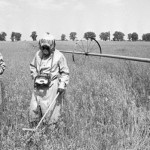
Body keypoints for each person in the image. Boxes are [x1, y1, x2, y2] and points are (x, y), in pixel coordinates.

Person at [29, 33, 69, 128]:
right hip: (38, 86)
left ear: (52, 45)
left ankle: (50, 131)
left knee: (50, 110)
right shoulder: (38, 54)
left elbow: (65, 72)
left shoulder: (59, 56)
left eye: (47, 47)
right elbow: (32, 66)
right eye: (43, 47)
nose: (45, 50)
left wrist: (62, 85)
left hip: (51, 87)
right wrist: (35, 76)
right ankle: (35, 129)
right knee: (34, 108)